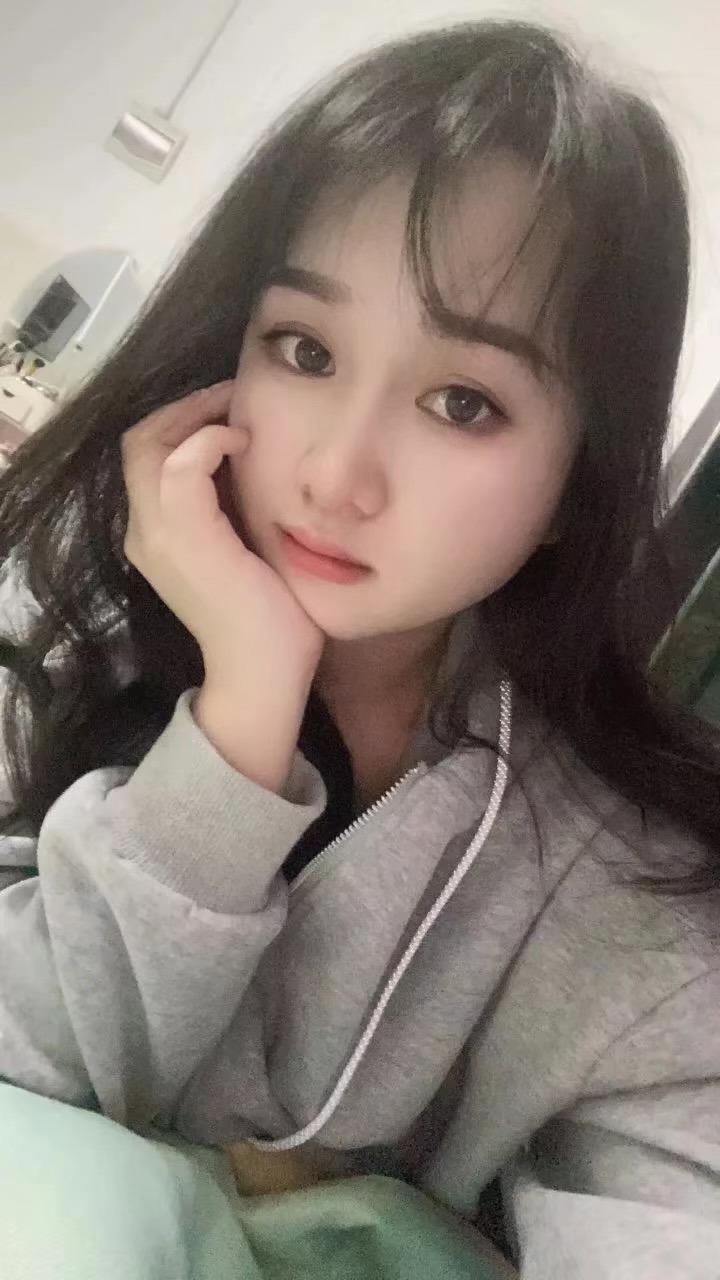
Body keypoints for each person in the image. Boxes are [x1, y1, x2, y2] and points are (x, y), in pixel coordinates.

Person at [0, 18, 718, 1278]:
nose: (336, 474)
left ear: (579, 477)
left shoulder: (623, 891)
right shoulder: (58, 619)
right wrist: (239, 720)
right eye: (306, 349)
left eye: (463, 401)